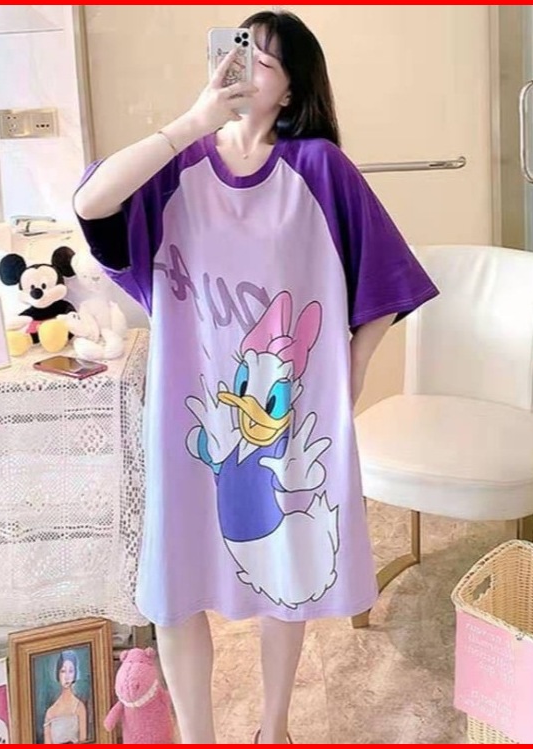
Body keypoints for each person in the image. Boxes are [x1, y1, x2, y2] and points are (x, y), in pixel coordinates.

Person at [74, 10, 439, 744]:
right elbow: (90, 204)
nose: (243, 69)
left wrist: (352, 366)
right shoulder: (175, 165)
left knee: (283, 568)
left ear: (292, 88)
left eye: (264, 61)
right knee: (176, 585)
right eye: (236, 54)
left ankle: (273, 727)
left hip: (283, 416)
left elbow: (387, 276)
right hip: (188, 412)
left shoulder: (318, 170)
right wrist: (192, 122)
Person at [43, 650, 88, 744]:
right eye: (63, 671)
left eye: (70, 671)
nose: (67, 677)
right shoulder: (50, 712)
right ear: (58, 674)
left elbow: (84, 741)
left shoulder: (79, 707)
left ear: (75, 674)